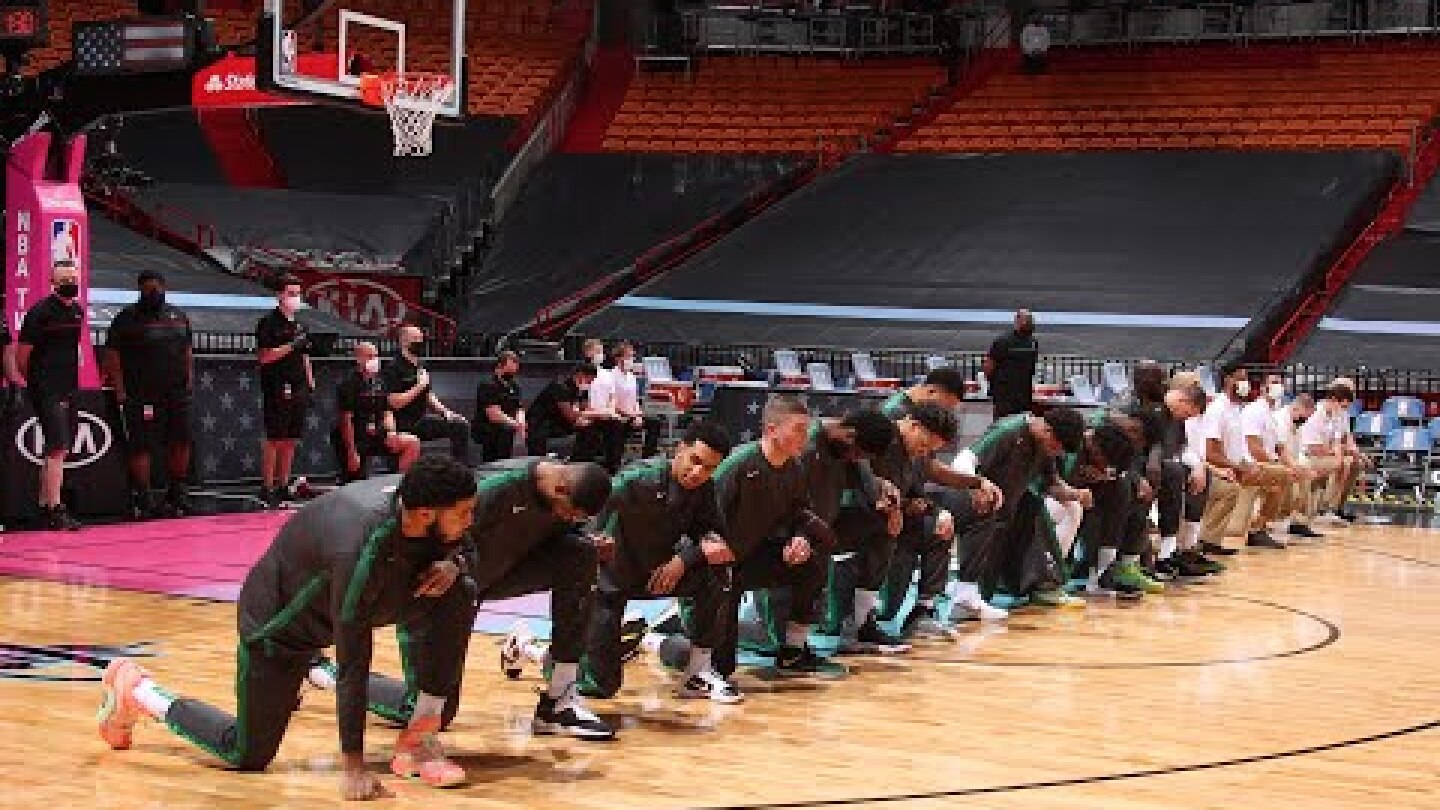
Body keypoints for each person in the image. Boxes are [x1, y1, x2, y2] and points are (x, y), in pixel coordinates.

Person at [96, 457, 482, 799]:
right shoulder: (358, 548)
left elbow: (471, 545)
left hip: (331, 613)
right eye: (464, 513)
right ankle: (139, 693)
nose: (471, 521)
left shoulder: (423, 514)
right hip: (279, 630)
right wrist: (354, 766)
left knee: (458, 590)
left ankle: (417, 735)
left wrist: (455, 562)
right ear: (427, 514)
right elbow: (355, 659)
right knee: (247, 754)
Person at [504, 422, 738, 702]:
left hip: (658, 576)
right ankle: (530, 648)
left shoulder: (705, 490)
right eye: (695, 461)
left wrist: (682, 560)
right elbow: (584, 525)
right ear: (680, 448)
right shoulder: (634, 480)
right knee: (599, 686)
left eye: (709, 468)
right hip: (609, 584)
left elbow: (714, 537)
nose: (698, 473)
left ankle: (696, 673)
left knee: (718, 569)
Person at [652, 395, 841, 688]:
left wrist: (800, 538)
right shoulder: (738, 465)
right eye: (799, 429)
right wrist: (694, 556)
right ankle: (665, 644)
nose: (806, 436)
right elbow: (698, 522)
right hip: (714, 565)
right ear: (771, 430)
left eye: (807, 429)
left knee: (813, 559)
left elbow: (799, 513)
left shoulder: (794, 467)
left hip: (750, 558)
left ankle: (793, 650)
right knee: (721, 668)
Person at [955, 407, 1092, 601]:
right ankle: (965, 591)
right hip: (980, 508)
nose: (1057, 452)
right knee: (1029, 505)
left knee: (1031, 504)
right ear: (1048, 430)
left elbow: (1051, 484)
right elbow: (965, 459)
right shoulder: (1009, 431)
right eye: (1057, 447)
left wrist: (1075, 494)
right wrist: (976, 486)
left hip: (1007, 511)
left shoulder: (1045, 448)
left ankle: (1037, 582)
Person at [103, 271, 195, 518]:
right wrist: (120, 389)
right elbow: (112, 355)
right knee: (141, 446)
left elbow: (187, 351)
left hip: (176, 392)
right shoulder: (126, 318)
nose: (153, 292)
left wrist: (189, 381)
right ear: (140, 290)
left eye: (157, 288)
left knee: (181, 441)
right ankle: (143, 496)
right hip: (140, 393)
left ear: (165, 288)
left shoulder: (178, 316)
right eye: (148, 288)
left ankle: (177, 493)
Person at [15, 260, 85, 530]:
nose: (70, 282)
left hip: (68, 387)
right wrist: (37, 384)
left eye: (72, 277)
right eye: (64, 279)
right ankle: (57, 509)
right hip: (45, 388)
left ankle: (45, 505)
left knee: (59, 449)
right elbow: (23, 356)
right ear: (52, 283)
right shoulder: (39, 313)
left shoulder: (77, 312)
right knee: (58, 447)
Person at [1204, 366, 1289, 550]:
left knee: (1284, 475)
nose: (1245, 384)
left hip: (1239, 464)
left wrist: (1248, 464)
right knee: (1277, 477)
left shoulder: (1235, 409)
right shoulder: (1217, 409)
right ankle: (1210, 539)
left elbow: (1240, 448)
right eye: (1240, 379)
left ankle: (1258, 529)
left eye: (1246, 379)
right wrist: (1239, 467)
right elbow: (1210, 453)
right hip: (1222, 467)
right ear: (1227, 380)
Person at [254, 275, 315, 509]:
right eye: (291, 293)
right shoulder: (268, 323)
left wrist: (310, 383)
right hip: (277, 385)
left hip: (298, 384)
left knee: (290, 439)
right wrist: (291, 346)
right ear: (279, 295)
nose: (295, 298)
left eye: (298, 293)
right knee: (275, 438)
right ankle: (267, 487)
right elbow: (264, 356)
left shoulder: (300, 325)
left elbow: (305, 356)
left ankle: (283, 485)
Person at [1244, 373, 1322, 541]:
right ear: (1263, 387)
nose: (1277, 386)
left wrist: (1294, 465)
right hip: (1252, 462)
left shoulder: (1270, 413)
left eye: (1280, 383)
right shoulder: (1255, 410)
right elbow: (1253, 447)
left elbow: (1280, 448)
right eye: (1273, 382)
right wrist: (1280, 466)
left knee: (1300, 472)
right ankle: (1263, 526)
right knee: (1285, 475)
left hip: (1270, 462)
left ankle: (1278, 523)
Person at [385, 324, 471, 465]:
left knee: (460, 425)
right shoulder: (393, 367)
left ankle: (459, 470)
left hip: (420, 420)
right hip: (400, 423)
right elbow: (394, 402)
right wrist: (420, 385)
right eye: (415, 338)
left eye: (421, 338)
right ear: (404, 341)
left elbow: (428, 395)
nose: (420, 342)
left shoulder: (420, 365)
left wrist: (445, 411)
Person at [334, 342, 420, 482]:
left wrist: (391, 431)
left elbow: (388, 411)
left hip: (378, 434)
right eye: (369, 356)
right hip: (355, 438)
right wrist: (352, 452)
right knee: (356, 485)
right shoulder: (348, 384)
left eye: (376, 356)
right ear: (358, 359)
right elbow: (345, 420)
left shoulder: (381, 381)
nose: (374, 360)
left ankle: (401, 486)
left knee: (412, 442)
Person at [1301, 382, 1364, 524]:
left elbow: (1340, 440)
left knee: (1352, 463)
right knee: (1342, 463)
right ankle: (1326, 509)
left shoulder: (1338, 413)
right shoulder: (1315, 414)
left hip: (1325, 454)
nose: (1344, 410)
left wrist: (1352, 453)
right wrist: (1337, 454)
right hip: (1309, 456)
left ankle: (1336, 508)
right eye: (1343, 406)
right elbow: (1312, 448)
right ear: (1334, 400)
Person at [584, 341, 647, 472]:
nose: (631, 360)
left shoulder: (608, 374)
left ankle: (647, 460)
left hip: (615, 413)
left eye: (601, 351)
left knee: (654, 423)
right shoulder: (609, 374)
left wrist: (638, 415)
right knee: (616, 425)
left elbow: (614, 397)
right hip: (598, 414)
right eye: (597, 351)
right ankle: (612, 466)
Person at [1274, 391, 1327, 538]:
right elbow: (1280, 451)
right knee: (1299, 476)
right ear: (1296, 408)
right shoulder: (1279, 420)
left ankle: (1298, 522)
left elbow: (1298, 451)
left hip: (1290, 460)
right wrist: (1297, 467)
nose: (1304, 420)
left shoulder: (1298, 423)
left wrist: (1304, 467)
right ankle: (1275, 520)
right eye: (1304, 417)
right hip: (1274, 460)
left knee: (1308, 473)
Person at [525, 362, 601, 457]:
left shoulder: (582, 389)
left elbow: (586, 408)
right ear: (581, 375)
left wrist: (594, 415)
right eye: (589, 381)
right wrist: (592, 415)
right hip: (539, 426)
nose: (590, 384)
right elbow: (570, 416)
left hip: (558, 424)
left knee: (591, 429)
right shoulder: (560, 386)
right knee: (538, 459)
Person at [984, 310, 1039, 419]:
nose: (1030, 323)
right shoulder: (1031, 342)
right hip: (1009, 395)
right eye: (1027, 321)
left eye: (1030, 320)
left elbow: (988, 366)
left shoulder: (1031, 342)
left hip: (1017, 394)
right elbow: (989, 365)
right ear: (1018, 321)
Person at [472, 350, 524, 461]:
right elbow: (494, 415)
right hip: (487, 426)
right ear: (500, 366)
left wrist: (521, 422)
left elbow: (519, 407)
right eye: (510, 369)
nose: (514, 371)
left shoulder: (514, 385)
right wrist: (515, 424)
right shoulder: (488, 384)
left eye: (515, 368)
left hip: (509, 424)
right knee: (504, 430)